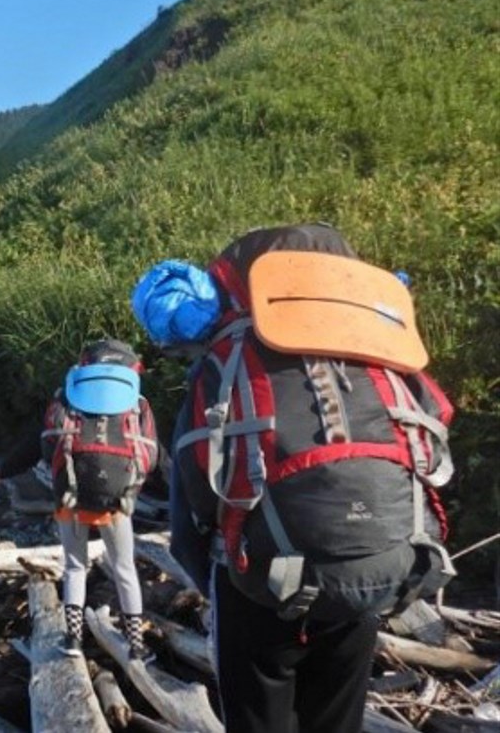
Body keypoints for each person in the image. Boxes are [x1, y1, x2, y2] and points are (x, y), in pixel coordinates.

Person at [133, 224, 456, 733]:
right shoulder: (378, 350)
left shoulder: (229, 356)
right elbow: (434, 430)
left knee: (258, 720)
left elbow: (190, 505)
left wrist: (218, 582)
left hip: (261, 579)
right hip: (375, 566)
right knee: (336, 718)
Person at [0, 338, 159, 659]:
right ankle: (136, 646)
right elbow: (153, 454)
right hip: (117, 502)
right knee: (124, 568)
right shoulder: (135, 403)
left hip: (69, 497)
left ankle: (73, 641)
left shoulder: (69, 397)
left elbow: (36, 444)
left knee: (75, 567)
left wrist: (5, 470)